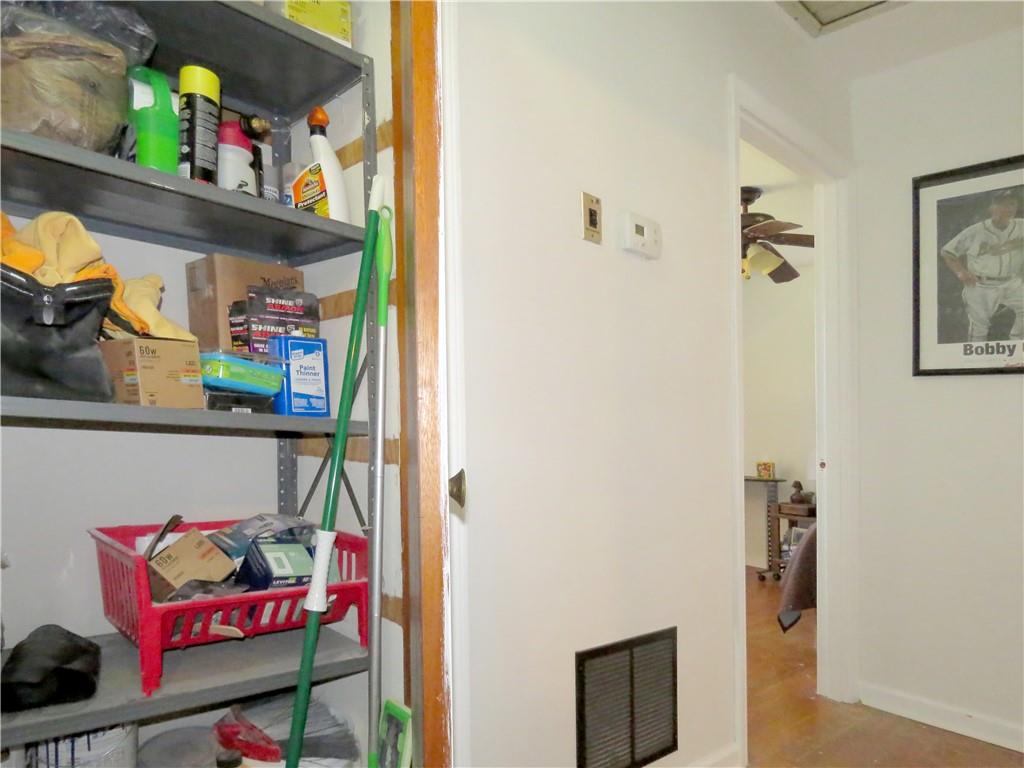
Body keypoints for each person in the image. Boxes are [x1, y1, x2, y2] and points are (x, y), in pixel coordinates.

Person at [941, 188, 1024, 342]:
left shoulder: (1021, 226)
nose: (1008, 208)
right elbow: (947, 252)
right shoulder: (975, 231)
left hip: (1012, 283)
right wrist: (961, 272)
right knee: (979, 329)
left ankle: (1018, 343)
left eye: (1012, 204)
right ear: (991, 208)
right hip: (981, 285)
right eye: (1002, 204)